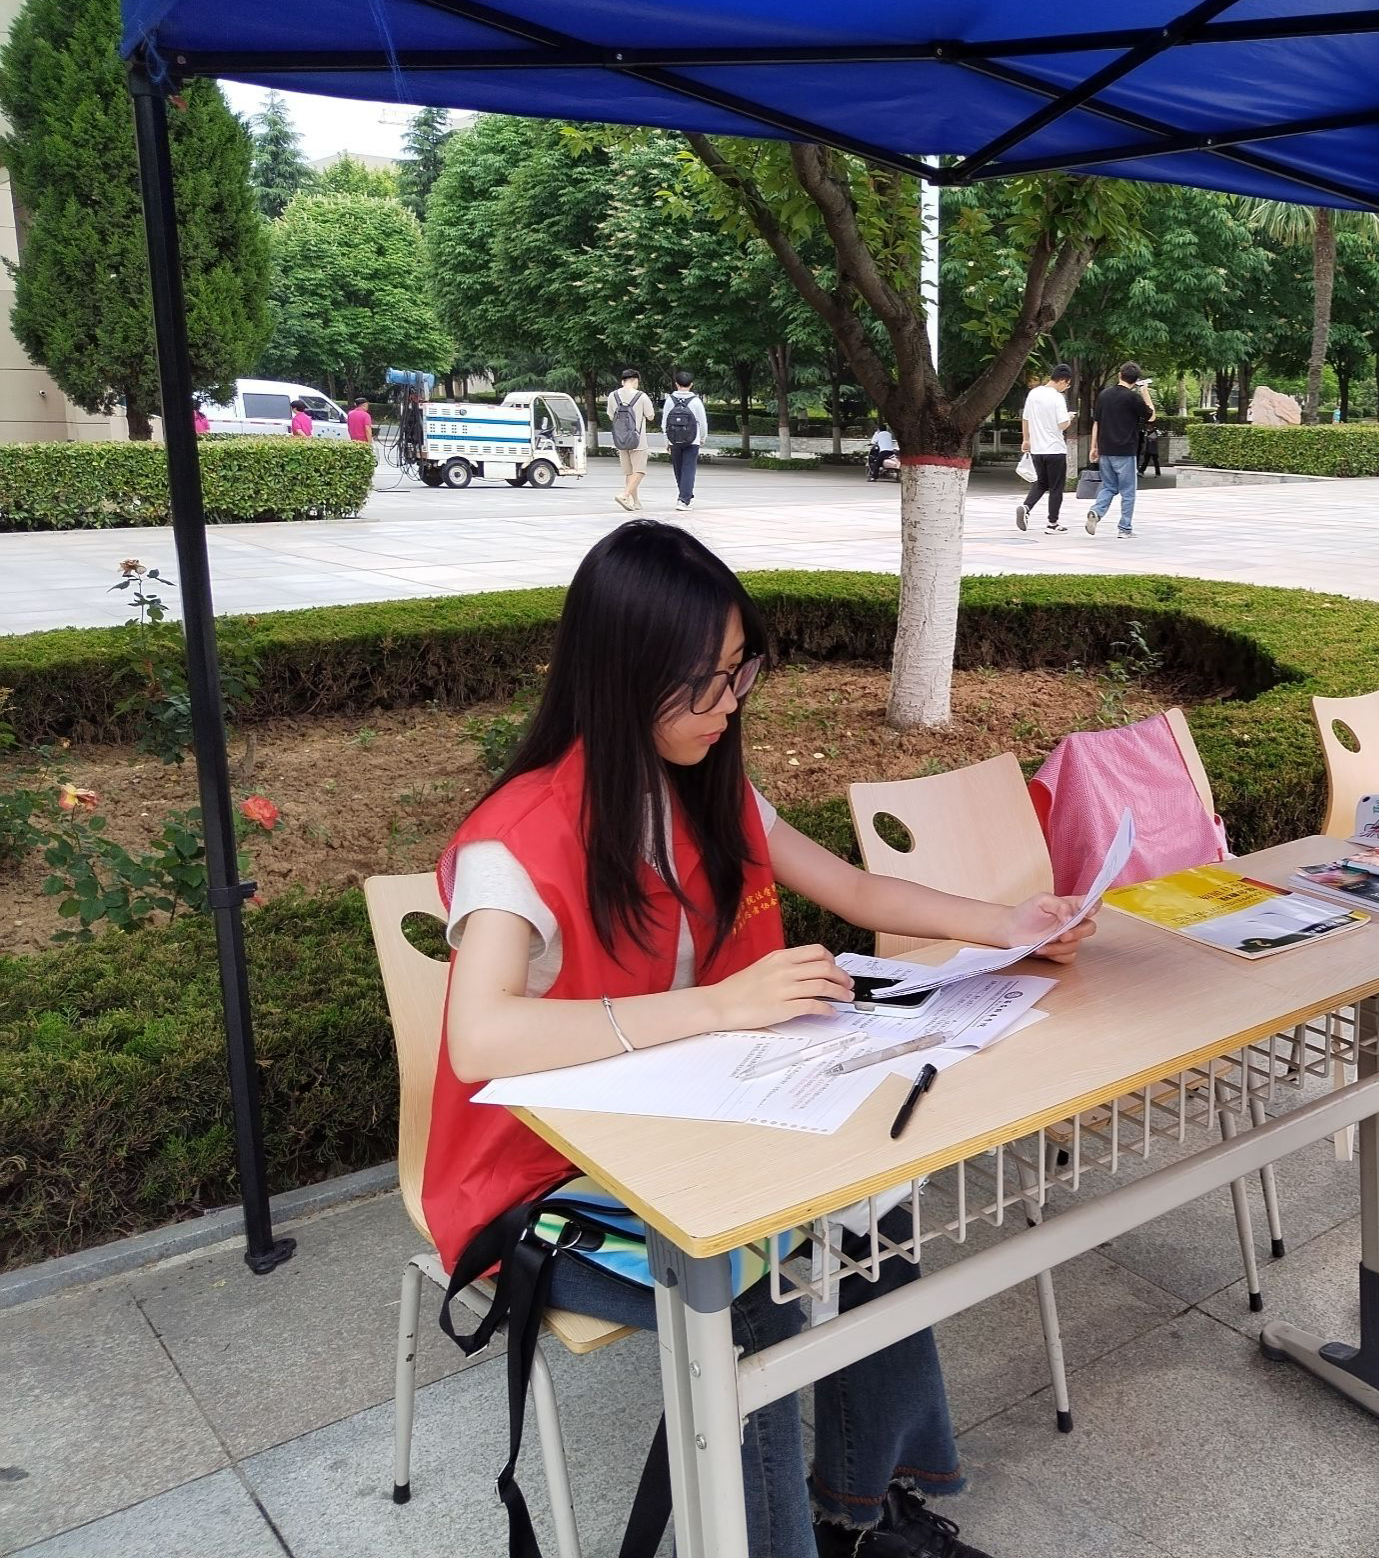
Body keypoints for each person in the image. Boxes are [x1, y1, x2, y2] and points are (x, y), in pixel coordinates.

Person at [436, 522, 1096, 1557]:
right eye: (704, 682)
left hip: (693, 1124)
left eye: (739, 671)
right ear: (623, 674)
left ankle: (862, 1512)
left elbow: (854, 888)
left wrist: (1009, 925)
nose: (728, 703)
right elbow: (480, 1037)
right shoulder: (514, 840)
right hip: (543, 1187)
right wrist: (718, 1005)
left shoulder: (706, 787)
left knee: (873, 1213)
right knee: (753, 1300)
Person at [1085, 361, 1156, 539]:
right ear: (1136, 380)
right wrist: (1145, 393)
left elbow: (1096, 423)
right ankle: (1125, 528)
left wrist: (1093, 447)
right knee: (1128, 492)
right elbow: (1151, 416)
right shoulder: (1133, 398)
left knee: (1108, 487)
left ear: (1119, 374)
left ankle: (1096, 511)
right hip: (1125, 451)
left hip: (1105, 449)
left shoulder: (1104, 395)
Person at [1016, 363, 1075, 533]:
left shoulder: (1034, 393)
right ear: (1063, 380)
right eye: (1067, 384)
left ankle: (1026, 507)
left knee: (1041, 483)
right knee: (1056, 488)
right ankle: (1052, 523)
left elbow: (1026, 419)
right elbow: (1062, 424)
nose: (1066, 388)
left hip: (1037, 450)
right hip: (1055, 449)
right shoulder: (1057, 397)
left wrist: (1026, 440)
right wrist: (1070, 418)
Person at [607, 368, 656, 511]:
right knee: (639, 471)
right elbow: (651, 416)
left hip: (621, 440)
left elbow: (611, 416)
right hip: (638, 440)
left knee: (629, 472)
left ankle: (635, 502)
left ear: (622, 381)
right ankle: (625, 495)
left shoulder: (613, 396)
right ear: (636, 380)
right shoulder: (641, 396)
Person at [662, 370, 708, 510]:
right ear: (691, 385)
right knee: (689, 469)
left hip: (674, 440)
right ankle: (684, 499)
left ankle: (685, 496)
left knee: (679, 470)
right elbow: (703, 422)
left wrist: (667, 440)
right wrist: (702, 437)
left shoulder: (670, 400)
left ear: (676, 384)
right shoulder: (696, 401)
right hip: (692, 440)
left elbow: (664, 422)